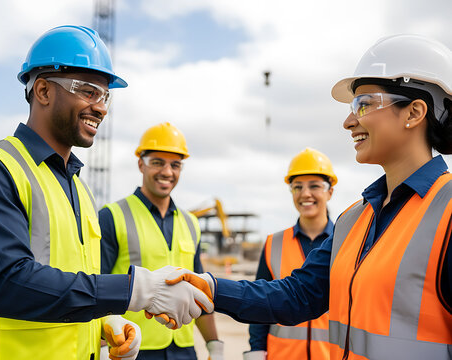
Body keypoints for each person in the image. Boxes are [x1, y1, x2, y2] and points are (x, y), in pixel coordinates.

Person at [161, 34, 452, 359]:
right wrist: (210, 287)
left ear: (414, 112)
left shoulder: (449, 212)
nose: (348, 121)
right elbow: (297, 295)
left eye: (364, 104)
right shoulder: (354, 220)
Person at [0, 25, 212, 360]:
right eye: (87, 91)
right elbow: (9, 286)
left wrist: (103, 325)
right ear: (42, 91)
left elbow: (72, 283)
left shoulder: (78, 188)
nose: (101, 108)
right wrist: (134, 289)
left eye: (104, 96)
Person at [99, 122, 224, 360]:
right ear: (141, 164)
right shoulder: (112, 216)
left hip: (184, 350)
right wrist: (104, 342)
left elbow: (201, 291)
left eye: (175, 165)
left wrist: (214, 345)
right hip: (132, 349)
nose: (167, 171)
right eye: (158, 162)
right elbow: (96, 286)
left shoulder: (190, 223)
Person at [244, 148, 337, 360]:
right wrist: (256, 352)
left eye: (315, 186)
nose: (305, 194)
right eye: (297, 187)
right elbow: (260, 304)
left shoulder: (347, 241)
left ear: (330, 191)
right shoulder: (273, 244)